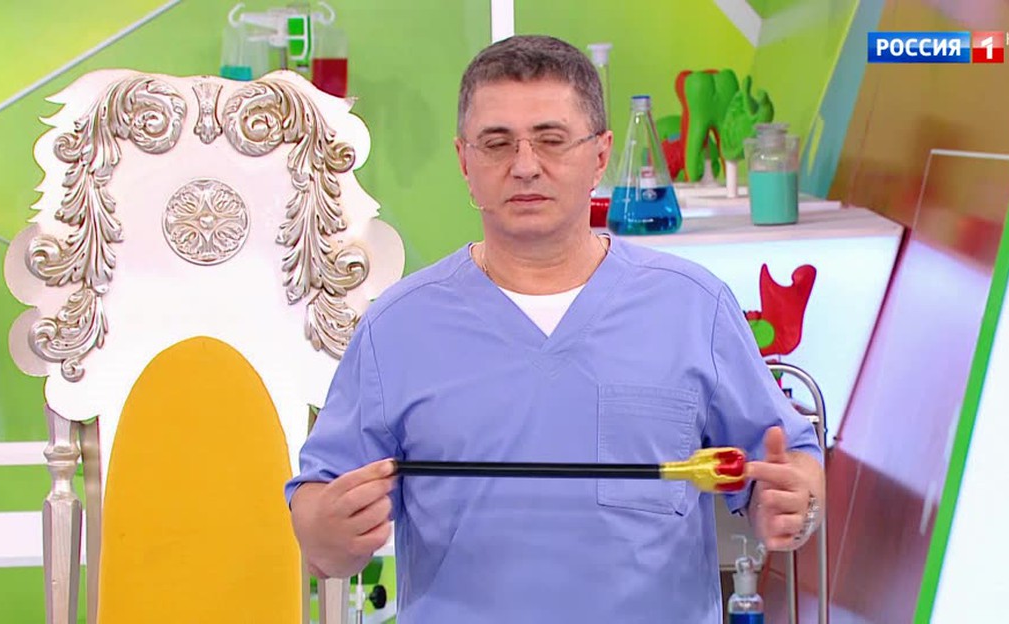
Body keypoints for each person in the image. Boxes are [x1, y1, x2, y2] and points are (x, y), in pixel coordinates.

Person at [286, 35, 824, 623]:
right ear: (464, 162)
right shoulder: (396, 328)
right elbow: (318, 520)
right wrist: (328, 534)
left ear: (601, 155)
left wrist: (794, 501)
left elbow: (792, 463)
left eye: (551, 139)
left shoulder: (694, 307)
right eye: (497, 143)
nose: (524, 165)